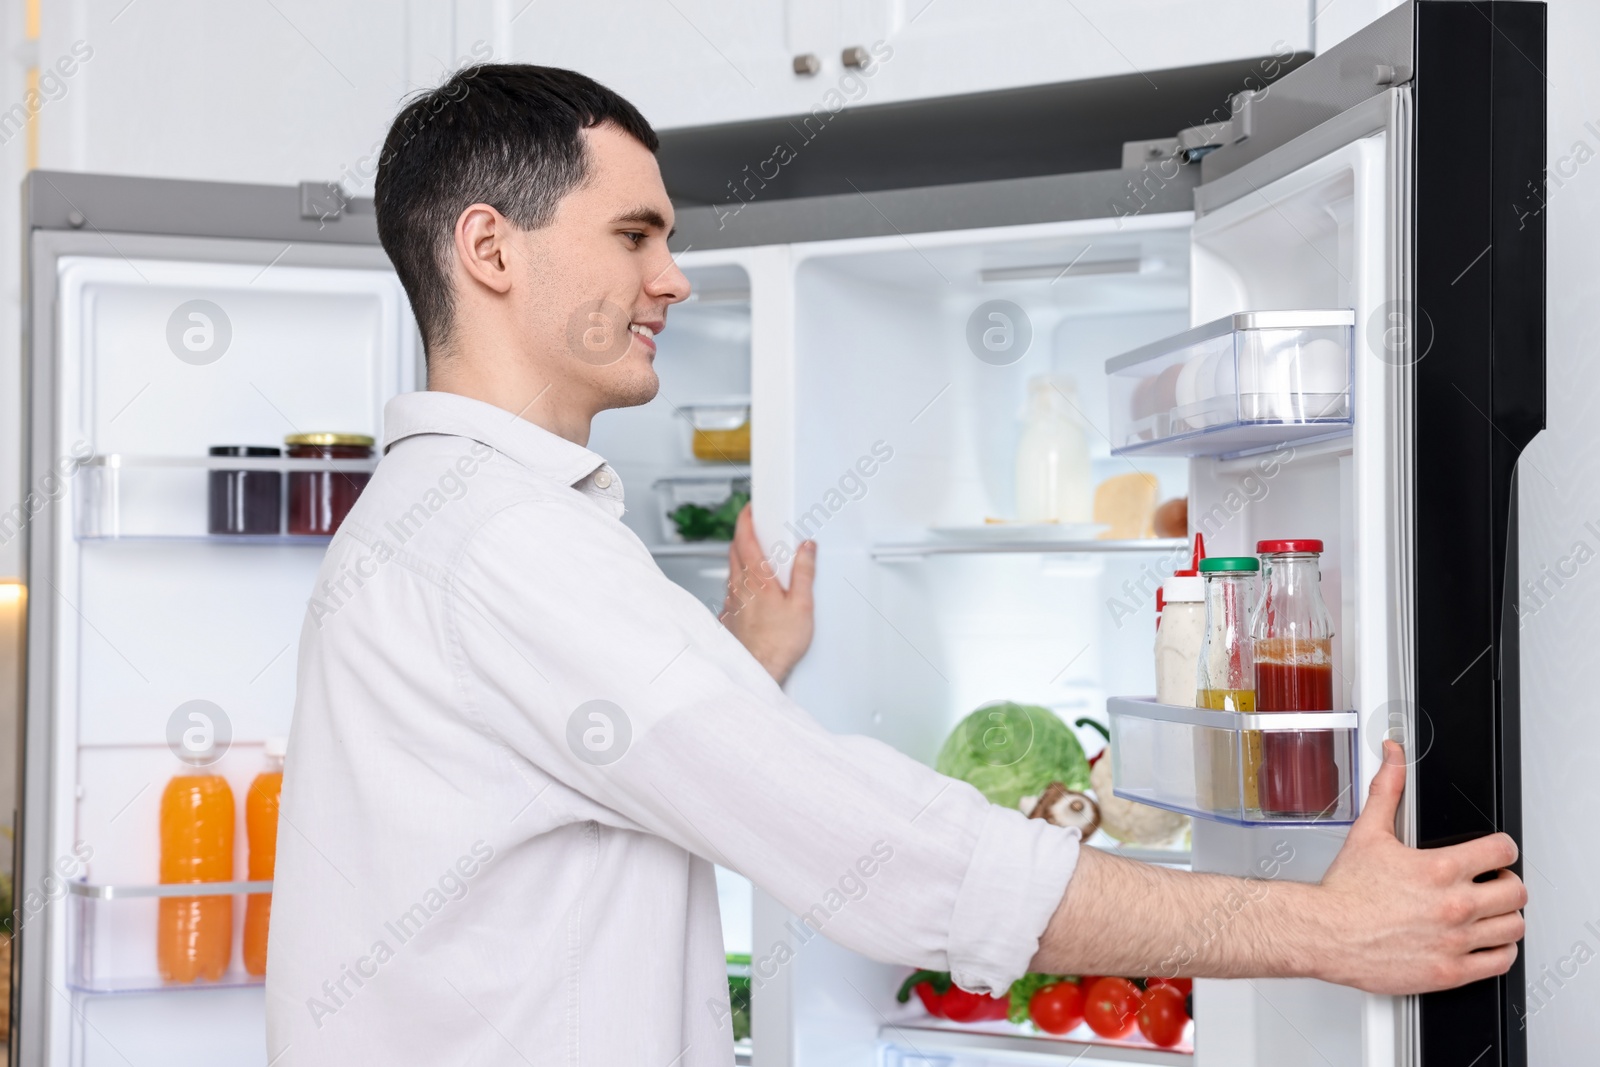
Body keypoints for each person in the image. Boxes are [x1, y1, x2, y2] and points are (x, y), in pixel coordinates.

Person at [264, 65, 1526, 1066]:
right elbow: (882, 854)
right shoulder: (506, 543)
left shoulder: (440, 516)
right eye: (636, 235)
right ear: (490, 250)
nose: (675, 278)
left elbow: (561, 792)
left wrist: (733, 670)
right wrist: (1322, 927)